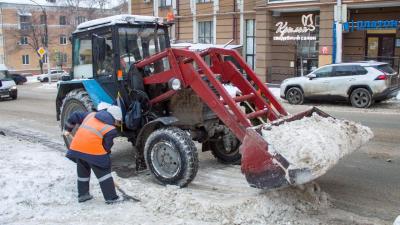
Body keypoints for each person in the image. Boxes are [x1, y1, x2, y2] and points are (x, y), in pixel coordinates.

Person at [63, 103, 124, 204]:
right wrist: (104, 159)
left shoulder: (90, 115)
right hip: (93, 152)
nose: (117, 124)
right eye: (118, 122)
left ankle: (83, 195)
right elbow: (106, 147)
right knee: (104, 173)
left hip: (77, 148)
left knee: (83, 172)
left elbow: (74, 115)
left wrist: (67, 129)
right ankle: (111, 198)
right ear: (115, 118)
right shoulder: (111, 129)